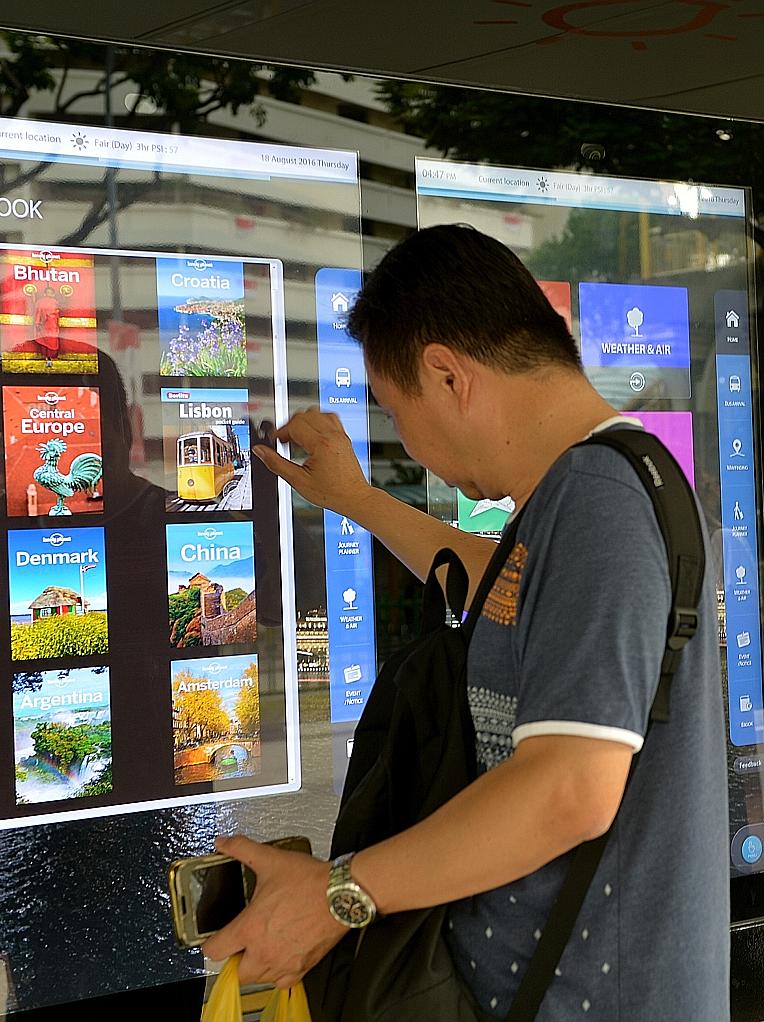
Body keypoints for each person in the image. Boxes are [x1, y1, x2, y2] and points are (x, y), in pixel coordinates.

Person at [203, 224, 729, 1020]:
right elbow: (508, 586)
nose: (410, 447)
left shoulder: (597, 503)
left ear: (448, 374)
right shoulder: (598, 490)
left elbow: (571, 789)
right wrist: (357, 501)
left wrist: (340, 896)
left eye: (396, 410)